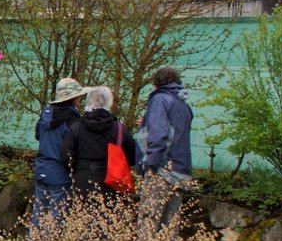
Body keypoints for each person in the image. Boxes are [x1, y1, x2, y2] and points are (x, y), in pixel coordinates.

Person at [140, 66, 194, 230]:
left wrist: (149, 165)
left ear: (157, 83)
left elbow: (158, 135)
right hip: (182, 171)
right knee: (170, 229)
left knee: (148, 225)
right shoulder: (183, 105)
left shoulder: (160, 100)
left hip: (163, 170)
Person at [60, 85, 140, 197]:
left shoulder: (76, 127)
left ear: (88, 101)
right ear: (109, 102)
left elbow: (65, 157)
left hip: (82, 181)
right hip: (112, 182)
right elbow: (133, 157)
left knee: (82, 213)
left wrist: (78, 168)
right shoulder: (120, 129)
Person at [31, 77, 88, 232]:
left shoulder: (46, 113)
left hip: (42, 168)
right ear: (73, 98)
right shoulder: (74, 120)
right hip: (60, 173)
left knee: (38, 213)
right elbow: (73, 149)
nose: (80, 99)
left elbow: (38, 136)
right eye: (79, 96)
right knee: (56, 217)